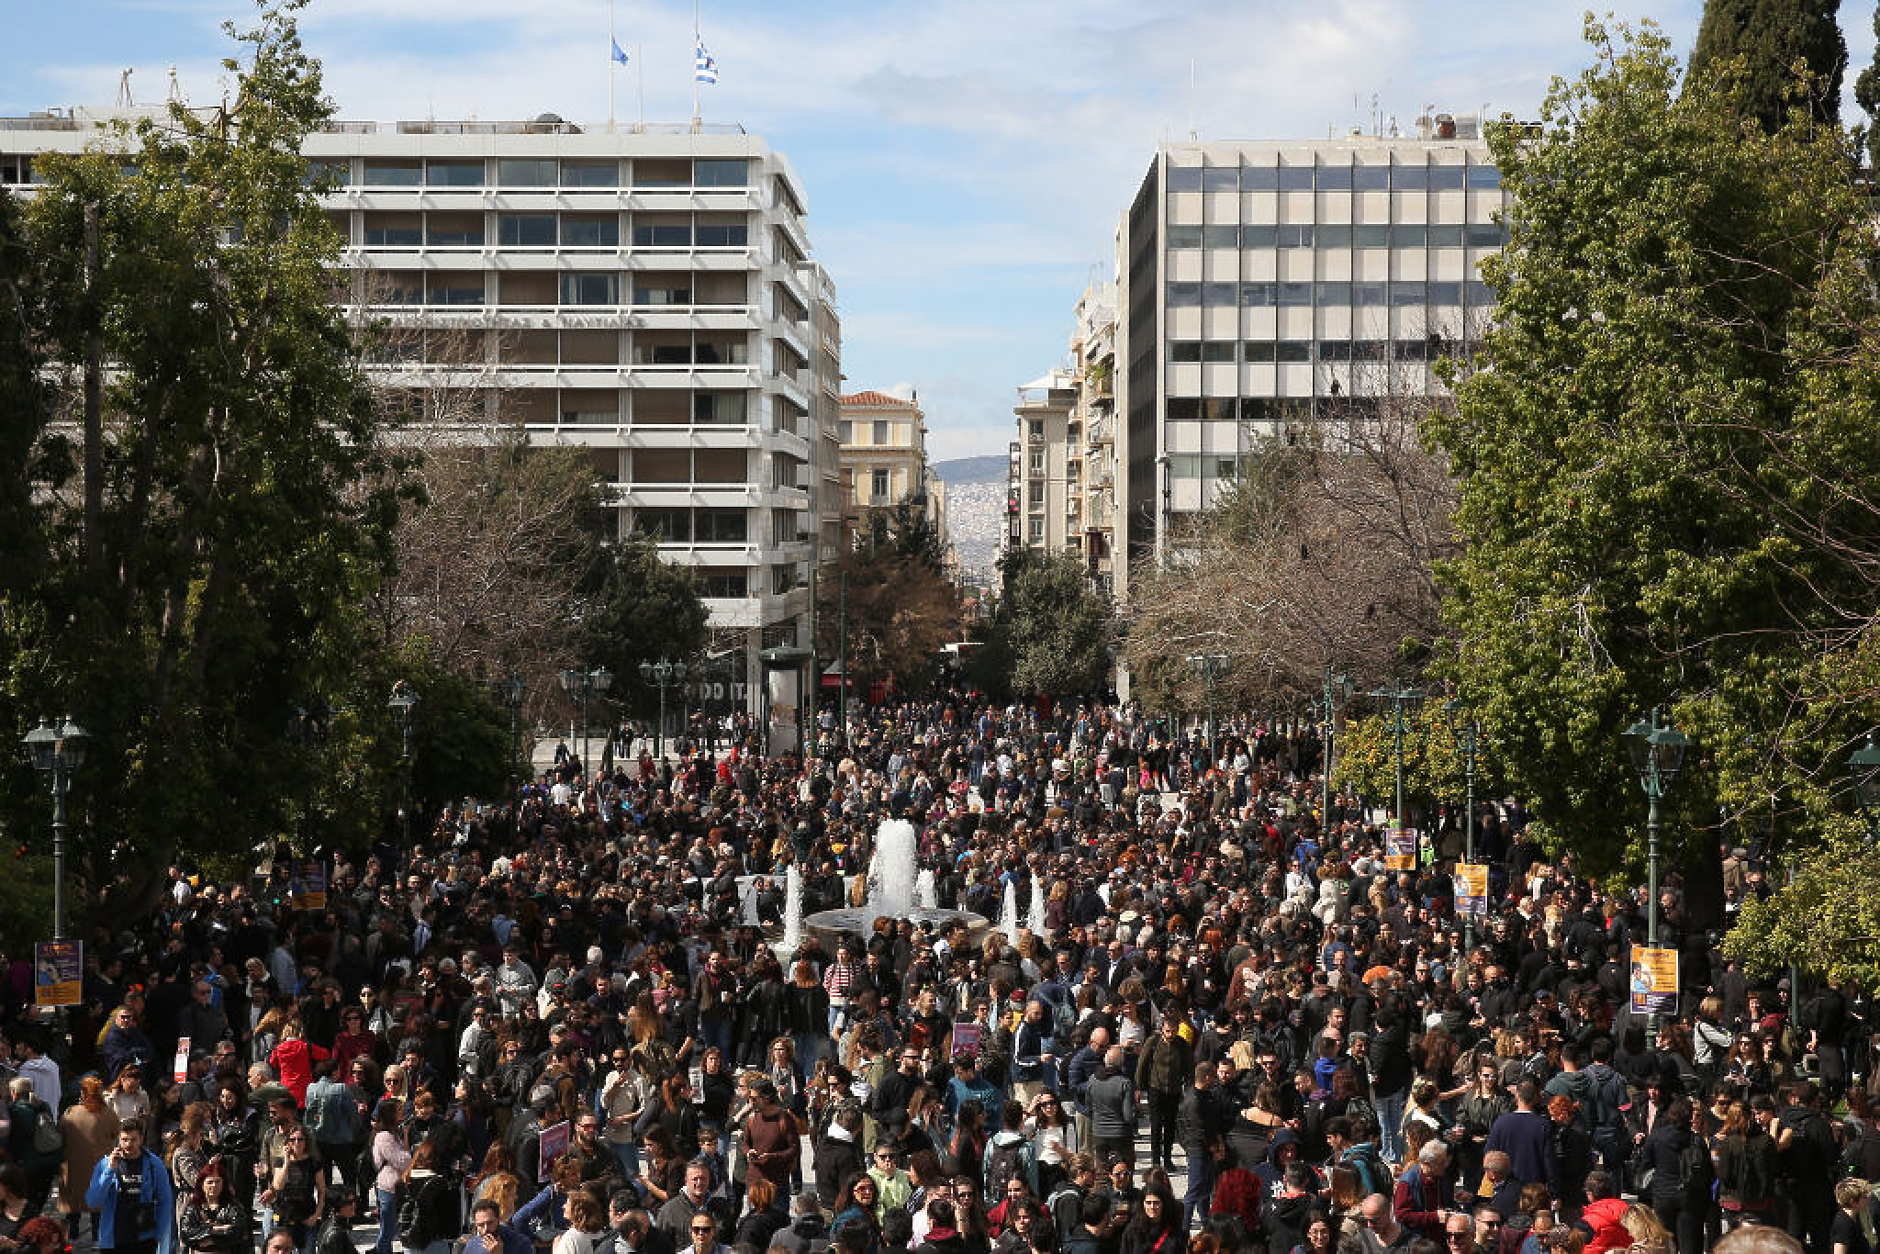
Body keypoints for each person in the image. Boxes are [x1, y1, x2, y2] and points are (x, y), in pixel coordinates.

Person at [85, 1121, 176, 1254]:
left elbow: (165, 1200)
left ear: (141, 1139)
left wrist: (159, 1233)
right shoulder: (105, 1164)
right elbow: (93, 1201)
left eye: (133, 1139)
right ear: (118, 1140)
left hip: (144, 1237)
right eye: (124, 1140)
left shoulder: (154, 1164)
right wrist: (109, 1171)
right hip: (113, 1238)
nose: (128, 1144)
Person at [60, 1073, 121, 1242]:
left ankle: (73, 1232)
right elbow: (117, 1133)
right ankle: (96, 1234)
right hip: (99, 1167)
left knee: (73, 1202)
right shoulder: (108, 1114)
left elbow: (61, 1134)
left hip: (74, 1166)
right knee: (98, 1204)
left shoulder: (71, 1113)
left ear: (83, 1093)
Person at [178, 1161, 252, 1254]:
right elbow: (186, 1234)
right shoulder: (193, 1207)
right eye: (210, 1182)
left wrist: (210, 1239)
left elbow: (238, 1233)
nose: (214, 1185)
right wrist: (215, 1229)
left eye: (217, 1181)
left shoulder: (233, 1206)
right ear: (202, 1184)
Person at [459, 1198, 534, 1254]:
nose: (485, 1229)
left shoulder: (520, 1243)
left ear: (498, 1219)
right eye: (480, 1225)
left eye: (490, 1223)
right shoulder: (472, 1245)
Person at [1829, 1178, 1871, 1254]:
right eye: (1864, 1197)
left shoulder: (1854, 1216)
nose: (1868, 1199)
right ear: (1853, 1202)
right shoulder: (1844, 1224)